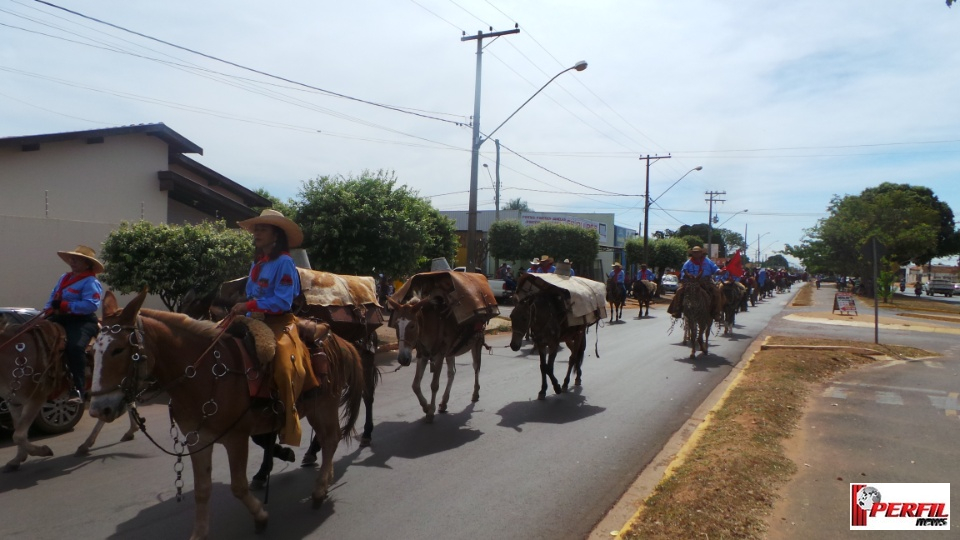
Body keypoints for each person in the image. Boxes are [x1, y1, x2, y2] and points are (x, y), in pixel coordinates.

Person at [231, 209, 310, 447]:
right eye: (256, 229)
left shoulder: (284, 263)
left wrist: (249, 304)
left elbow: (282, 302)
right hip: (251, 318)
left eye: (262, 229)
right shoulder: (257, 262)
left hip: (279, 322)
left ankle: (289, 424)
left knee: (284, 368)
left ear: (276, 235)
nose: (256, 233)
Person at [44, 245, 104, 404]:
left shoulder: (91, 281)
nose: (73, 261)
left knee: (75, 347)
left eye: (77, 259)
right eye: (72, 258)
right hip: (59, 318)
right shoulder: (64, 278)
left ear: (87, 264)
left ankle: (79, 388)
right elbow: (53, 297)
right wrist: (47, 310)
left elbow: (91, 305)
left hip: (82, 320)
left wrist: (65, 306)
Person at [667, 246, 723, 320]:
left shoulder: (708, 261)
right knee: (679, 291)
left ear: (701, 253)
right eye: (694, 252)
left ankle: (716, 313)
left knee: (717, 292)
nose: (696, 254)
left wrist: (720, 271)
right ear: (692, 254)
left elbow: (715, 269)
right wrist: (686, 277)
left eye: (698, 252)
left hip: (705, 281)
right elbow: (683, 272)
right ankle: (677, 310)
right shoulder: (688, 262)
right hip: (691, 282)